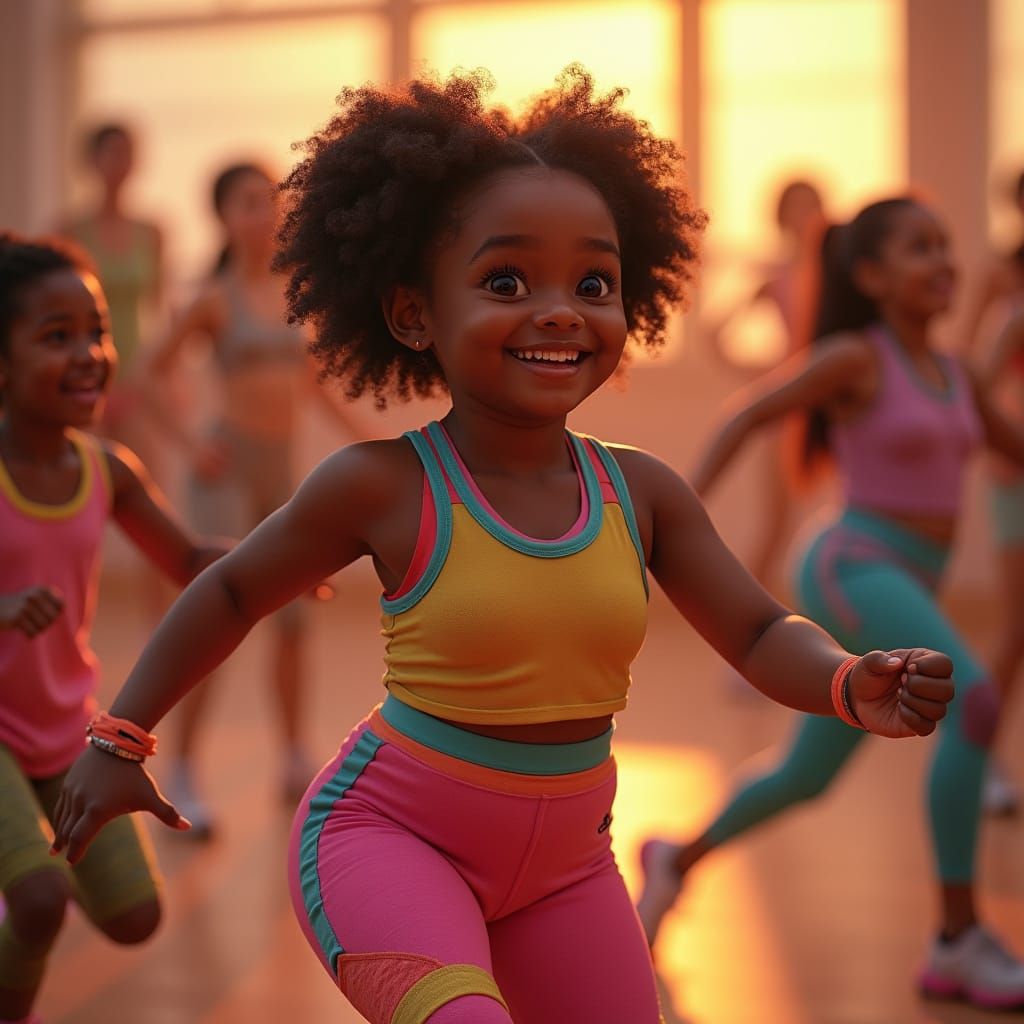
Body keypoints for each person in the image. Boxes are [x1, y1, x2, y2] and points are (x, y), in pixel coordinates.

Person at [51, 71, 954, 1024]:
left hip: (568, 871)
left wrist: (845, 680)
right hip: (385, 841)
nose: (560, 311)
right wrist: (118, 737)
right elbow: (234, 590)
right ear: (414, 313)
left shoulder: (641, 491)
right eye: (506, 282)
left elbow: (761, 632)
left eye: (593, 284)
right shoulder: (383, 484)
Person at [636, 197, 1024, 1010]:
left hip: (903, 580)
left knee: (805, 775)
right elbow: (749, 413)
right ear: (872, 276)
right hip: (852, 566)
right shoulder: (856, 357)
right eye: (920, 248)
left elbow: (1013, 450)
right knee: (975, 700)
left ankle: (677, 857)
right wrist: (668, 520)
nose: (944, 261)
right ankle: (957, 939)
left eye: (944, 245)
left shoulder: (956, 374)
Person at [0, 233, 225, 1024]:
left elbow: (189, 558)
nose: (90, 354)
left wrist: (287, 557)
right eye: (57, 336)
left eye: (96, 332)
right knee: (37, 901)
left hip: (64, 725)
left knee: (136, 917)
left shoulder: (108, 469)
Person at [144, 162, 363, 832]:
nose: (264, 214)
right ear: (223, 216)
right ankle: (183, 769)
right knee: (215, 622)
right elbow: (149, 374)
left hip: (281, 475)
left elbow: (315, 384)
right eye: (247, 202)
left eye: (271, 201)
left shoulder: (296, 293)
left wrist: (374, 442)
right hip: (227, 472)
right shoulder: (212, 299)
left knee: (295, 620)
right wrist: (191, 445)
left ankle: (295, 758)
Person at [704, 179, 828, 596]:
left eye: (812, 206)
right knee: (778, 522)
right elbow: (715, 335)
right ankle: (748, 612)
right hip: (789, 408)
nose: (805, 216)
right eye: (797, 207)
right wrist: (762, 372)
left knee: (836, 516)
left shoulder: (835, 274)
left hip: (832, 404)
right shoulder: (777, 277)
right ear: (781, 218)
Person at [962, 169, 1024, 815]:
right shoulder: (1005, 282)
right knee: (1018, 625)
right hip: (1017, 468)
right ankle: (980, 763)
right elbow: (972, 375)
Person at [63, 124, 164, 448]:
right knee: (90, 464)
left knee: (138, 467)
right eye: (113, 153)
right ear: (92, 160)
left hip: (136, 372)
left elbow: (159, 308)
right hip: (86, 366)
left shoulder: (151, 231)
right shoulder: (70, 230)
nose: (120, 163)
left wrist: (158, 377)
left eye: (127, 154)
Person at [975, 311, 1024, 814]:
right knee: (1017, 628)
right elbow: (973, 397)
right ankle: (980, 759)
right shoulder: (1014, 318)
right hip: (1018, 481)